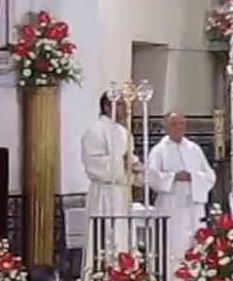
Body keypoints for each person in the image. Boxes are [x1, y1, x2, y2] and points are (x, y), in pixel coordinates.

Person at [146, 112, 218, 269]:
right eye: (174, 124)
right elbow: (152, 177)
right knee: (173, 244)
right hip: (171, 205)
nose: (178, 127)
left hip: (193, 205)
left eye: (181, 124)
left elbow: (210, 176)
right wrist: (173, 177)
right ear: (166, 127)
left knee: (195, 243)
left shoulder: (194, 149)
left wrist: (194, 177)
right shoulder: (159, 150)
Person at [82, 94, 139, 273]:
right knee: (104, 238)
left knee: (123, 238)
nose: (125, 108)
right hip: (104, 195)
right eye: (120, 104)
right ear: (107, 106)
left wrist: (135, 167)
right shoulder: (94, 131)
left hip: (121, 194)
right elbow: (93, 165)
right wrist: (122, 163)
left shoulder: (124, 132)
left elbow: (129, 159)